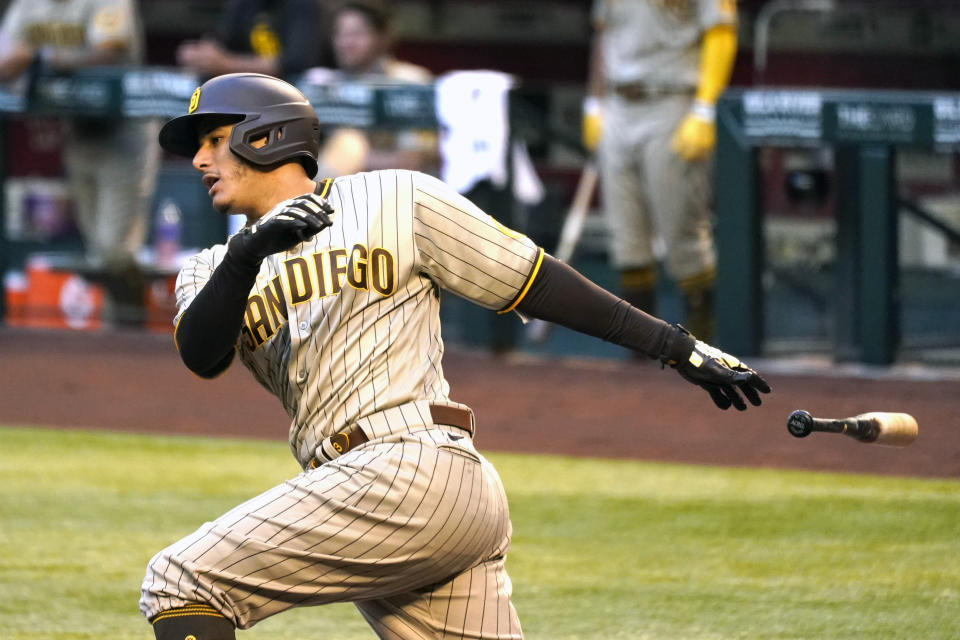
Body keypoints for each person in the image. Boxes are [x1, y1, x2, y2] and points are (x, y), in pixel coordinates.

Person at [139, 72, 770, 640]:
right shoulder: (212, 270)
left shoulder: (396, 198)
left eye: (213, 139)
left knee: (180, 581)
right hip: (393, 492)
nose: (198, 159)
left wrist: (675, 346)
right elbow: (202, 353)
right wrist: (250, 251)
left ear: (265, 136)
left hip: (410, 467)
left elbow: (536, 280)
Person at [583, 0, 738, 342]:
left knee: (682, 232)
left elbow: (721, 31)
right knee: (626, 238)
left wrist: (706, 107)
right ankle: (639, 350)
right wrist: (593, 102)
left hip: (672, 102)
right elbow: (604, 36)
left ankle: (703, 346)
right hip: (618, 106)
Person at [0, 0, 160, 326]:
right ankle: (121, 333)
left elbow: (108, 52)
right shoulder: (30, 6)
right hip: (79, 131)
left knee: (114, 251)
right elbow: (6, 51)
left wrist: (40, 57)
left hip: (124, 128)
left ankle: (136, 324)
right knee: (98, 252)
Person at [311, 0, 437, 176]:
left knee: (348, 143)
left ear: (383, 38)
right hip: (349, 190)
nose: (346, 43)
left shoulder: (410, 81)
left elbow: (412, 161)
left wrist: (349, 157)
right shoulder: (326, 84)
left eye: (356, 34)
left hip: (405, 190)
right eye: (340, 34)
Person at [175, 0, 334, 81]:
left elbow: (293, 65)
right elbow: (220, 42)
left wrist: (225, 64)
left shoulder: (305, 6)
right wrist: (199, 55)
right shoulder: (245, 4)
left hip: (295, 104)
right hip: (242, 95)